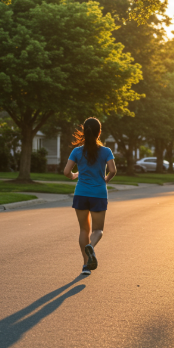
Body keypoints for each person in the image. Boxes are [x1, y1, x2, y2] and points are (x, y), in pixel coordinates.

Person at [63, 117, 116, 276]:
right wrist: (105, 179)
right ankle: (91, 247)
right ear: (99, 132)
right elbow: (113, 170)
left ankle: (86, 266)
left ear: (84, 132)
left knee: (83, 230)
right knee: (98, 230)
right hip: (98, 194)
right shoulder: (106, 151)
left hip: (81, 194)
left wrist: (74, 176)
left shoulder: (77, 151)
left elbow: (66, 172)